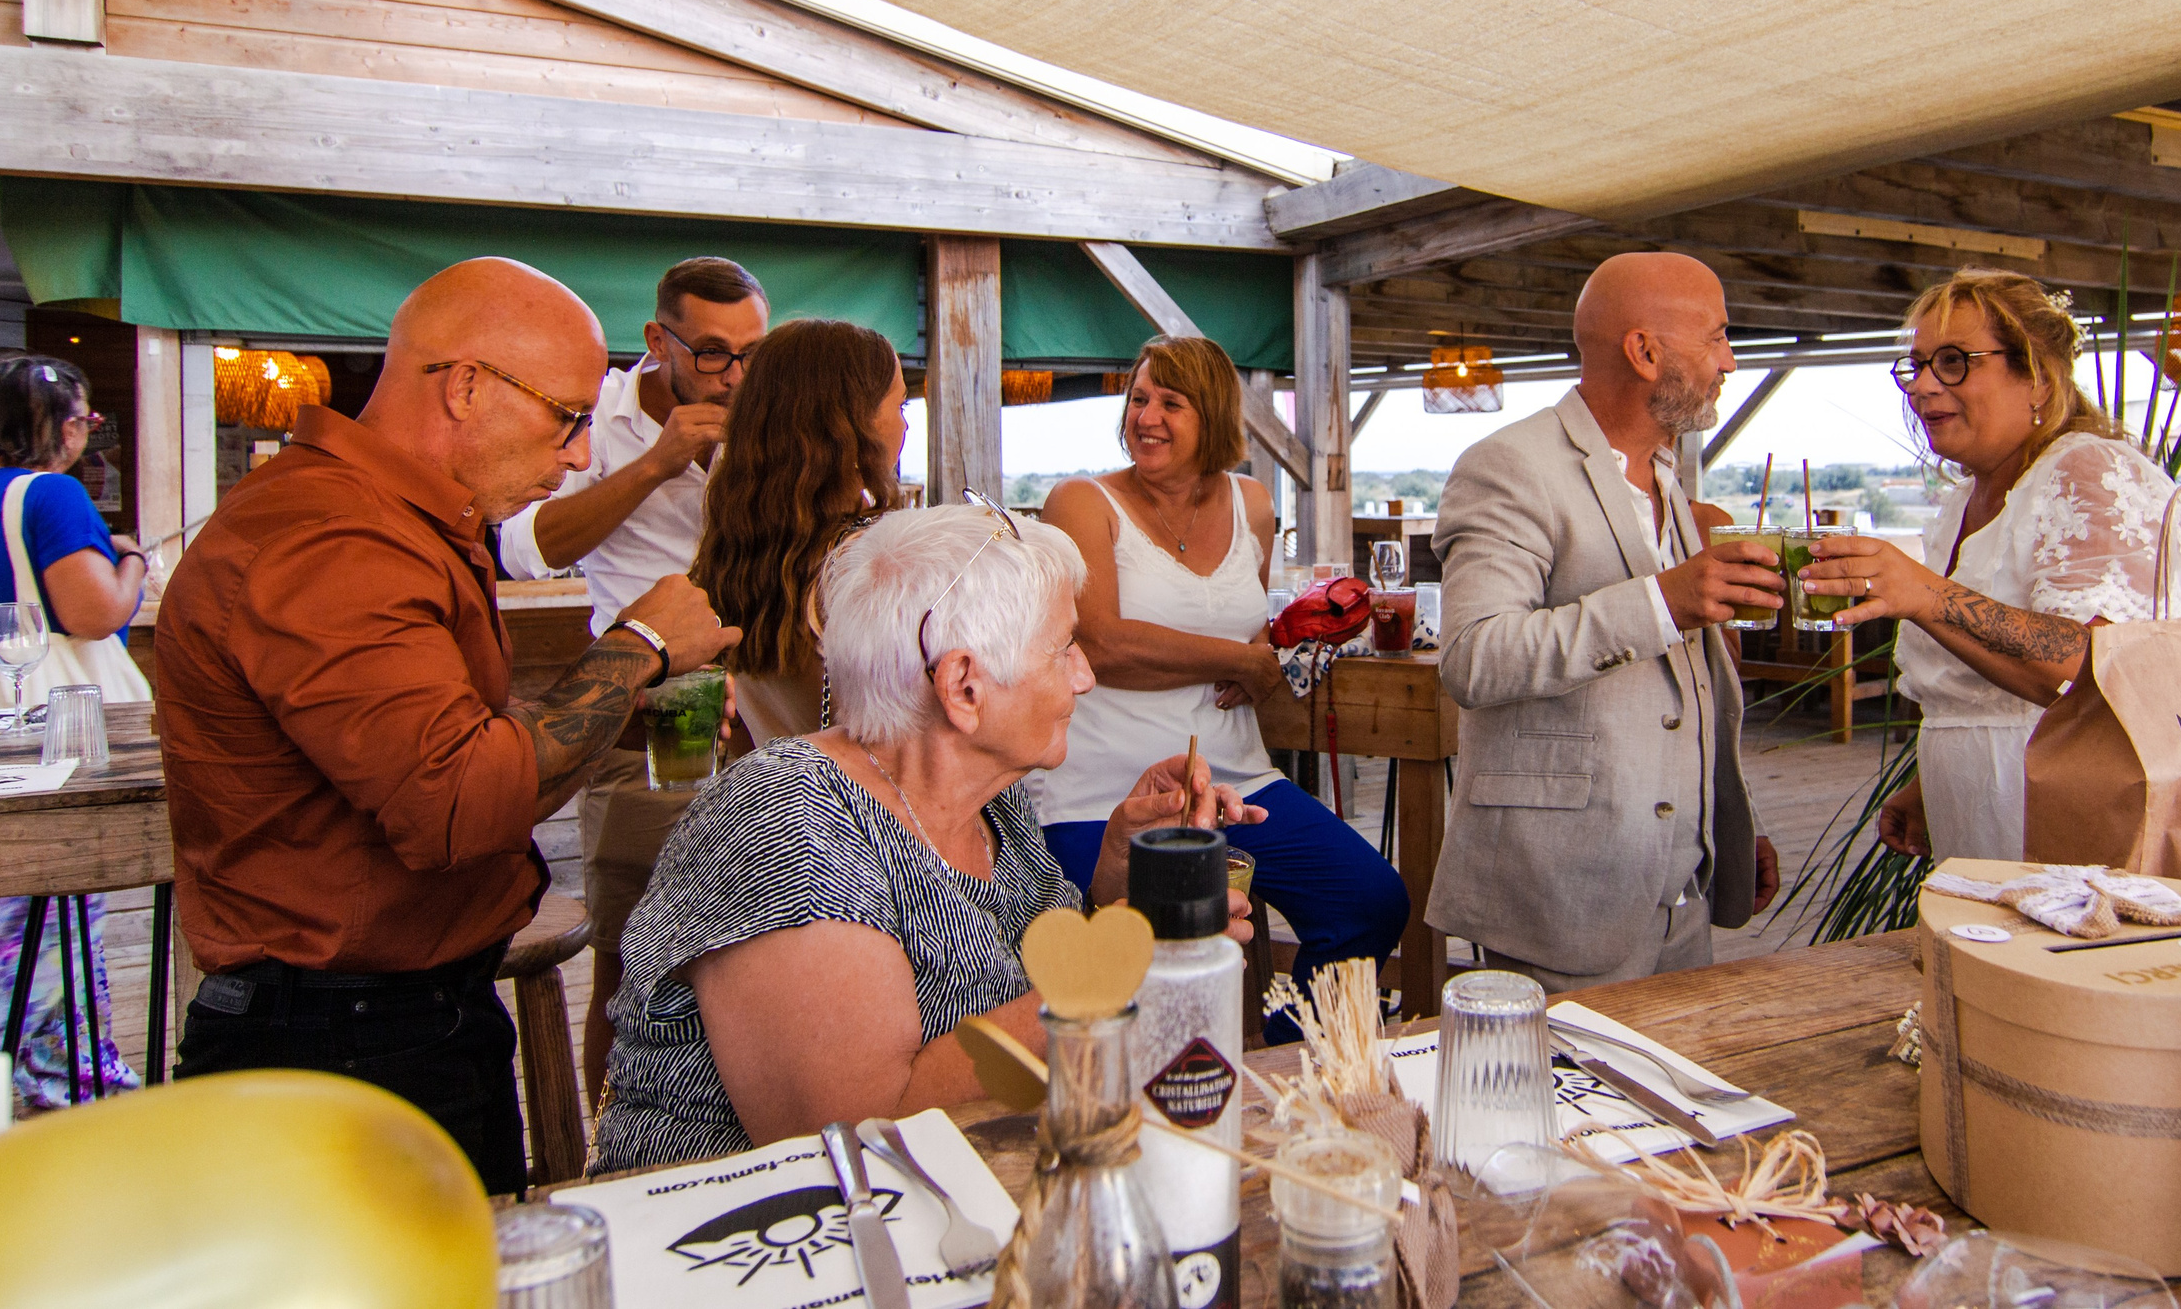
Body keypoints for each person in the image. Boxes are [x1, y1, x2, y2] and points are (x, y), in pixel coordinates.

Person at [153, 258, 736, 1195]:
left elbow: (451, 754)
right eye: (568, 419)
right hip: (335, 1043)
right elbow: (454, 805)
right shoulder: (331, 538)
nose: (581, 455)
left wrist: (624, 713)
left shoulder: (392, 522)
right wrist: (636, 647)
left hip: (401, 1016)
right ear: (467, 386)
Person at [593, 503, 1259, 1171]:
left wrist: (1120, 871)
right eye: (1064, 650)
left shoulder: (991, 797)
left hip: (974, 1199)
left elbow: (1024, 986)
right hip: (755, 1241)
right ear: (964, 687)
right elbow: (851, 1132)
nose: (1084, 676)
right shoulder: (787, 821)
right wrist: (1128, 963)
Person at [1427, 253, 1784, 991]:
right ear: (1646, 352)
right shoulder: (1508, 464)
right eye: (1716, 336)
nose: (1730, 359)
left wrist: (1722, 824)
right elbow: (1474, 657)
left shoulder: (1666, 477)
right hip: (1562, 896)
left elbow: (1677, 693)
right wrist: (1663, 602)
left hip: (1680, 895)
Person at [1035, 336, 1406, 1019]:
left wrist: (1258, 647)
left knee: (1369, 899)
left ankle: (1295, 1060)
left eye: (1171, 403)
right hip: (1099, 789)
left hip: (1233, 775)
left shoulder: (1254, 503)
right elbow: (1101, 642)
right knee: (1145, 949)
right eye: (1139, 399)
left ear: (1213, 416)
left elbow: (1247, 620)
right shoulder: (1079, 503)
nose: (1146, 417)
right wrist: (1238, 661)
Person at [1800, 268, 2181, 861]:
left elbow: (2093, 666)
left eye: (1955, 361)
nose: (1923, 387)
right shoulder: (1966, 500)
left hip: (2065, 816)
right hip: (1979, 812)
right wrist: (1930, 781)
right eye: (1917, 365)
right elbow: (1986, 694)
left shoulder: (2089, 473)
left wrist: (1923, 594)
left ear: (2038, 378)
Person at [496, 256, 769, 1098]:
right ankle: (616, 1153)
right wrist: (656, 462)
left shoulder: (766, 416)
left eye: (753, 352)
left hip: (761, 720)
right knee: (629, 966)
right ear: (658, 341)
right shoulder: (598, 416)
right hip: (646, 723)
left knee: (757, 956)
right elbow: (523, 545)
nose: (735, 374)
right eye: (715, 353)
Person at [0, 354, 151, 1110]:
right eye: (88, 420)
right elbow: (93, 613)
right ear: (59, 427)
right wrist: (131, 564)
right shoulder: (47, 496)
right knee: (49, 918)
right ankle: (53, 1081)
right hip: (45, 731)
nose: (91, 434)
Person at [691, 319, 909, 744]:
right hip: (867, 803)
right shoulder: (868, 561)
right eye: (899, 407)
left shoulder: (739, 551)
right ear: (855, 424)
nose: (904, 427)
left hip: (782, 796)